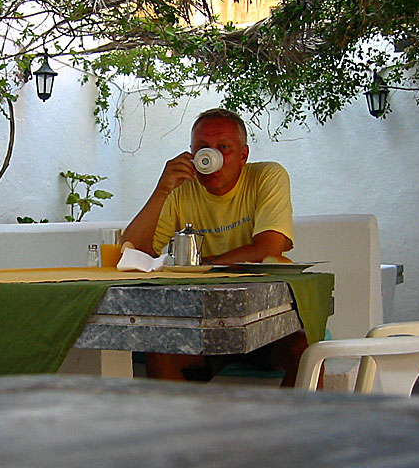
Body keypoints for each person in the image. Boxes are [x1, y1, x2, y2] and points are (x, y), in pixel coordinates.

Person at [122, 108, 308, 386]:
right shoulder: (181, 188)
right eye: (202, 148)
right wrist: (162, 190)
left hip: (266, 319)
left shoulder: (267, 176)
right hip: (202, 321)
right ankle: (185, 429)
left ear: (243, 156)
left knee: (303, 351)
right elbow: (132, 252)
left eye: (224, 148)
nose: (212, 157)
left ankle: (289, 429)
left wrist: (200, 265)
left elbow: (268, 249)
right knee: (157, 349)